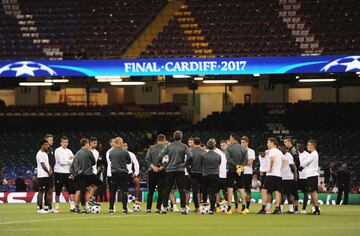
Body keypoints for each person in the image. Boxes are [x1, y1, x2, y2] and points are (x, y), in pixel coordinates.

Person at [158, 130, 192, 214]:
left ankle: (164, 208)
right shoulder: (184, 146)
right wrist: (185, 164)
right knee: (182, 190)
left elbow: (160, 155)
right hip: (180, 170)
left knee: (167, 189)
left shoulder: (168, 146)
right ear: (181, 137)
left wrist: (160, 163)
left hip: (170, 170)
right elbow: (190, 155)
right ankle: (183, 208)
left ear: (173, 137)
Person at [73, 138, 102, 213]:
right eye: (88, 143)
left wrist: (77, 171)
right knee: (100, 184)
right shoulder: (88, 152)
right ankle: (92, 199)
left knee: (82, 191)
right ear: (86, 144)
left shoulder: (77, 153)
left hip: (80, 175)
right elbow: (93, 162)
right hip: (89, 174)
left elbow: (75, 165)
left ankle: (83, 208)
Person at [258, 138, 286, 214]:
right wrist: (280, 168)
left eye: (268, 142)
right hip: (278, 174)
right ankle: (278, 208)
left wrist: (270, 168)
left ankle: (263, 208)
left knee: (264, 190)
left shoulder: (272, 151)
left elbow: (272, 159)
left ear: (272, 143)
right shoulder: (279, 152)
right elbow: (285, 161)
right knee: (277, 192)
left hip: (271, 174)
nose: (267, 144)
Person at [225, 133, 248, 215]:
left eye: (230, 138)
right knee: (241, 189)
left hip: (231, 169)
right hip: (240, 170)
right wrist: (240, 166)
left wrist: (235, 166)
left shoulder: (228, 148)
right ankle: (244, 208)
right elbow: (246, 160)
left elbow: (228, 159)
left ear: (232, 139)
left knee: (230, 189)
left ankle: (229, 209)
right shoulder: (243, 148)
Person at [109, 137, 131, 214]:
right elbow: (129, 161)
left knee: (113, 192)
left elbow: (111, 160)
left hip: (114, 173)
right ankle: (124, 209)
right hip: (123, 173)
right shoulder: (125, 152)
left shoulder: (111, 152)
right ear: (120, 142)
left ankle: (111, 209)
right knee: (124, 191)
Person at [145, 134, 167, 214]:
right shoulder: (166, 148)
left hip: (152, 171)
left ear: (157, 140)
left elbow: (147, 159)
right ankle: (158, 208)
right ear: (164, 140)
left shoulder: (151, 148)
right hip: (162, 172)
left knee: (150, 191)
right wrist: (160, 167)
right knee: (161, 191)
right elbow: (166, 160)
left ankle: (148, 209)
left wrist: (153, 167)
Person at [54, 136, 75, 212]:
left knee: (71, 190)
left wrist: (68, 160)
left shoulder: (69, 151)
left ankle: (72, 207)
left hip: (68, 173)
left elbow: (74, 160)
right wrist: (69, 160)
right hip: (59, 172)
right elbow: (61, 162)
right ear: (61, 142)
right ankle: (57, 206)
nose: (65, 144)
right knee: (58, 191)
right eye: (64, 142)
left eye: (66, 142)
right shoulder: (57, 150)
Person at [298, 140, 320, 215]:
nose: (307, 147)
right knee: (312, 192)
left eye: (308, 145)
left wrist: (300, 167)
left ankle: (317, 209)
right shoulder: (313, 154)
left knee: (313, 192)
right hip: (311, 175)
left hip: (312, 175)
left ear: (312, 146)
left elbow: (306, 161)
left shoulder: (313, 154)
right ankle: (315, 208)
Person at [200, 140, 221, 214]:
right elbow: (219, 163)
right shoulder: (218, 156)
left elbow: (201, 164)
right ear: (214, 146)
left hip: (205, 175)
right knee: (213, 193)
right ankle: (212, 209)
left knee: (205, 192)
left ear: (207, 146)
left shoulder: (203, 155)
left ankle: (204, 207)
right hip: (215, 175)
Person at [188, 137, 205, 213]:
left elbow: (186, 164)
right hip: (202, 173)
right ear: (200, 143)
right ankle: (204, 207)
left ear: (194, 143)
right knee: (203, 190)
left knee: (195, 191)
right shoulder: (204, 152)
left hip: (193, 173)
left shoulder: (191, 152)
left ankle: (197, 207)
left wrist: (189, 172)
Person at [279, 145, 297, 214]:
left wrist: (295, 176)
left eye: (280, 148)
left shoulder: (288, 155)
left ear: (285, 149)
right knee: (282, 194)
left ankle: (291, 210)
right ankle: (281, 209)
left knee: (288, 194)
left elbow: (293, 167)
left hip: (288, 178)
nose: (280, 150)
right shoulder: (282, 155)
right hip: (283, 177)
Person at [284, 136, 300, 212]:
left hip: (293, 173)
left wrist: (294, 171)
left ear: (289, 142)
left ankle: (295, 208)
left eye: (285, 142)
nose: (284, 143)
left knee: (294, 191)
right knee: (293, 191)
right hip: (291, 173)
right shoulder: (289, 150)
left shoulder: (293, 150)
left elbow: (297, 162)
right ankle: (294, 208)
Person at [240, 136, 256, 213]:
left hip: (247, 173)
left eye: (243, 142)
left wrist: (241, 163)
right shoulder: (239, 151)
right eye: (241, 142)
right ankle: (243, 206)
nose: (242, 144)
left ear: (247, 143)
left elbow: (250, 162)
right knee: (240, 190)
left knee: (247, 190)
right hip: (239, 172)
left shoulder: (251, 151)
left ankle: (247, 207)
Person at [36, 140, 52, 213]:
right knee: (41, 191)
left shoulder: (45, 153)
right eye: (46, 145)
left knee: (47, 191)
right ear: (42, 145)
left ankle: (46, 207)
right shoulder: (39, 154)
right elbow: (42, 165)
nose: (48, 146)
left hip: (47, 175)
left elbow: (47, 164)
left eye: (48, 145)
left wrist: (50, 170)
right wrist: (48, 171)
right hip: (42, 175)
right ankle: (39, 208)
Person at [297, 141, 310, 214]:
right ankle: (295, 208)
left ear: (303, 147)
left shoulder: (308, 155)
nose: (298, 148)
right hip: (297, 177)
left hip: (305, 177)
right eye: (297, 146)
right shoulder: (295, 154)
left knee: (305, 193)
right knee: (294, 193)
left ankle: (304, 208)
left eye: (299, 146)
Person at [216, 140, 228, 210]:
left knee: (226, 191)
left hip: (227, 175)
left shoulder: (229, 154)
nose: (222, 147)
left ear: (227, 145)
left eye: (224, 145)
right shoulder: (218, 154)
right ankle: (217, 206)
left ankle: (227, 206)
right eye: (221, 145)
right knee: (217, 191)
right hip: (219, 175)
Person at [44, 134, 55, 211]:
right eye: (51, 140)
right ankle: (48, 206)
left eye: (52, 140)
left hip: (51, 172)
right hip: (47, 172)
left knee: (49, 189)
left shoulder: (52, 150)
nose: (52, 141)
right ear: (46, 141)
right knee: (48, 190)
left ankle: (47, 206)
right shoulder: (44, 150)